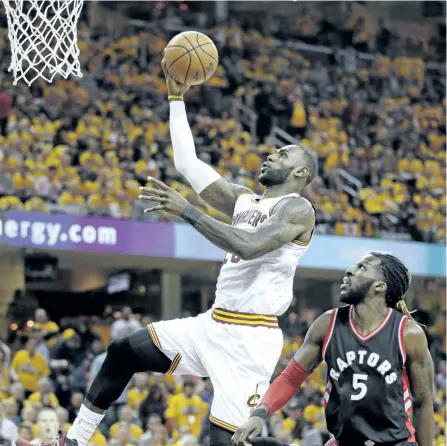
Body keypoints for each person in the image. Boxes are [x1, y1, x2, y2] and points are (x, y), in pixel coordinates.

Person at [15, 59, 317, 446]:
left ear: (300, 174)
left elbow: (249, 245)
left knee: (226, 442)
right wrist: (176, 97)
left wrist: (186, 210)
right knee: (124, 350)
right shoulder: (244, 200)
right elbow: (187, 163)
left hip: (250, 339)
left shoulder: (297, 209)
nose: (272, 154)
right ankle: (73, 440)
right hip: (212, 324)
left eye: (284, 153)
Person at [232, 253, 435, 446]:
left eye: (362, 267)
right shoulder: (327, 324)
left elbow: (423, 401)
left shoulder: (408, 334)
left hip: (395, 443)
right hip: (344, 442)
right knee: (260, 444)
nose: (349, 271)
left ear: (379, 286)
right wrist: (259, 414)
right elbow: (290, 379)